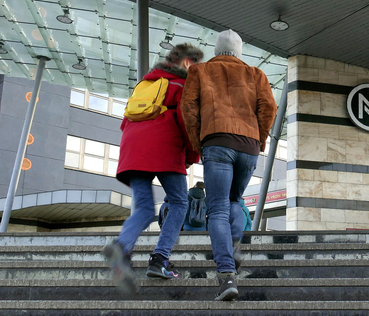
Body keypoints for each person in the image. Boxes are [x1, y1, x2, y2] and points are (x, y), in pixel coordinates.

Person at [182, 29, 277, 301]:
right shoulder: (255, 74)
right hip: (248, 146)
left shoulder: (199, 72)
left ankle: (226, 275)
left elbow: (188, 109)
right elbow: (268, 107)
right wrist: (259, 139)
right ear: (239, 52)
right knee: (235, 201)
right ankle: (233, 249)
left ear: (216, 49)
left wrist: (199, 142)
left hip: (217, 142)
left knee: (218, 209)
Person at [102, 43, 202, 294]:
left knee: (145, 209)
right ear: (188, 63)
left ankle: (122, 245)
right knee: (180, 203)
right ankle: (160, 260)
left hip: (133, 149)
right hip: (165, 145)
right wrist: (191, 156)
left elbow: (126, 122)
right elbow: (187, 123)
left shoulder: (144, 85)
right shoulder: (181, 85)